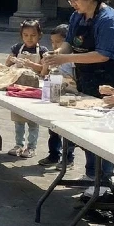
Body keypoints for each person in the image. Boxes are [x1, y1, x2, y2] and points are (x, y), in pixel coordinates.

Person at [44, 0, 114, 189]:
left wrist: (66, 59)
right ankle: (91, 175)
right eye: (70, 0)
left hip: (108, 79)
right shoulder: (77, 16)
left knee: (103, 133)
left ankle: (104, 183)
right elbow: (69, 42)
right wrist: (57, 54)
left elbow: (102, 55)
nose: (73, 4)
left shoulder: (109, 20)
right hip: (85, 78)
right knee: (87, 128)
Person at [5, 20, 48, 158]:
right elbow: (7, 63)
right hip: (18, 88)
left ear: (39, 35)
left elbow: (44, 71)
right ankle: (18, 144)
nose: (29, 38)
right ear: (21, 35)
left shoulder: (42, 51)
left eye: (33, 35)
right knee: (18, 118)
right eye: (26, 35)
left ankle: (31, 147)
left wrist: (32, 65)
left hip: (34, 88)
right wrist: (12, 60)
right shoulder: (17, 48)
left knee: (32, 120)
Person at [38, 24, 75, 167]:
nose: (54, 46)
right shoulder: (53, 57)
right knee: (52, 128)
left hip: (68, 96)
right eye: (52, 42)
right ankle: (54, 154)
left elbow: (73, 80)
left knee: (67, 132)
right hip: (54, 95)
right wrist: (46, 65)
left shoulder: (71, 59)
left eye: (58, 42)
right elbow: (43, 75)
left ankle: (68, 157)